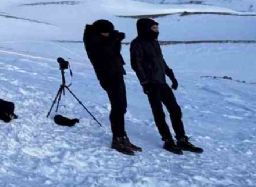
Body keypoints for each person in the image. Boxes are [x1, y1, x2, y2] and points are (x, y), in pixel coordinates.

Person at [129, 18, 203, 154]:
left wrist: (171, 76)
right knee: (159, 113)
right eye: (154, 28)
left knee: (175, 110)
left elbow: (161, 61)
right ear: (145, 28)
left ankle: (182, 140)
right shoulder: (137, 44)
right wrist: (145, 83)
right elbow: (136, 65)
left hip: (162, 82)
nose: (157, 31)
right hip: (151, 83)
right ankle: (168, 140)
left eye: (157, 28)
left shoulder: (154, 42)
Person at [83, 19, 140, 155]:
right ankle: (117, 139)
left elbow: (114, 52)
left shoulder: (103, 39)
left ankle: (122, 137)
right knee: (118, 106)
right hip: (107, 75)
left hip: (116, 72)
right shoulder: (92, 40)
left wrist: (115, 40)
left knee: (122, 106)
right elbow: (105, 53)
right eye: (106, 33)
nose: (108, 35)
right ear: (100, 32)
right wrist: (115, 38)